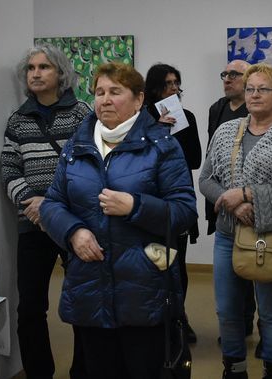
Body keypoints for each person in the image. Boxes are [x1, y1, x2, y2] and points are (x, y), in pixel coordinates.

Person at [40, 62, 197, 378]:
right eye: (99, 92)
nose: (105, 100)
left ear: (139, 99)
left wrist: (135, 206)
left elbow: (184, 211)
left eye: (115, 91)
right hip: (90, 290)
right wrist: (73, 232)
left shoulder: (162, 147)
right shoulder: (76, 146)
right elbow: (52, 204)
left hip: (144, 291)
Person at [200, 63, 272, 379]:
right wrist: (232, 203)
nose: (255, 95)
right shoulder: (225, 131)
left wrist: (246, 194)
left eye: (263, 89)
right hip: (227, 233)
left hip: (269, 235)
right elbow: (206, 180)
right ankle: (234, 368)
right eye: (250, 89)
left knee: (270, 311)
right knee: (227, 310)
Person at [1, 44, 90, 379]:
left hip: (74, 224)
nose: (35, 74)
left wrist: (52, 205)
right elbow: (9, 169)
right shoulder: (17, 120)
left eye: (44, 67)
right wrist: (30, 201)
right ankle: (38, 373)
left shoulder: (82, 114)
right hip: (33, 225)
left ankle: (84, 372)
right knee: (30, 309)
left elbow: (89, 167)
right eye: (31, 68)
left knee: (83, 303)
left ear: (61, 73)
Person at [144, 62, 202, 343]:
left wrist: (174, 132)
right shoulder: (141, 118)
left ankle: (179, 317)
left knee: (178, 265)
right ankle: (156, 319)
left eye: (176, 83)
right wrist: (157, 130)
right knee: (154, 262)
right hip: (149, 200)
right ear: (154, 87)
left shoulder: (186, 116)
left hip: (177, 198)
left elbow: (195, 160)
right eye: (167, 83)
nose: (173, 88)